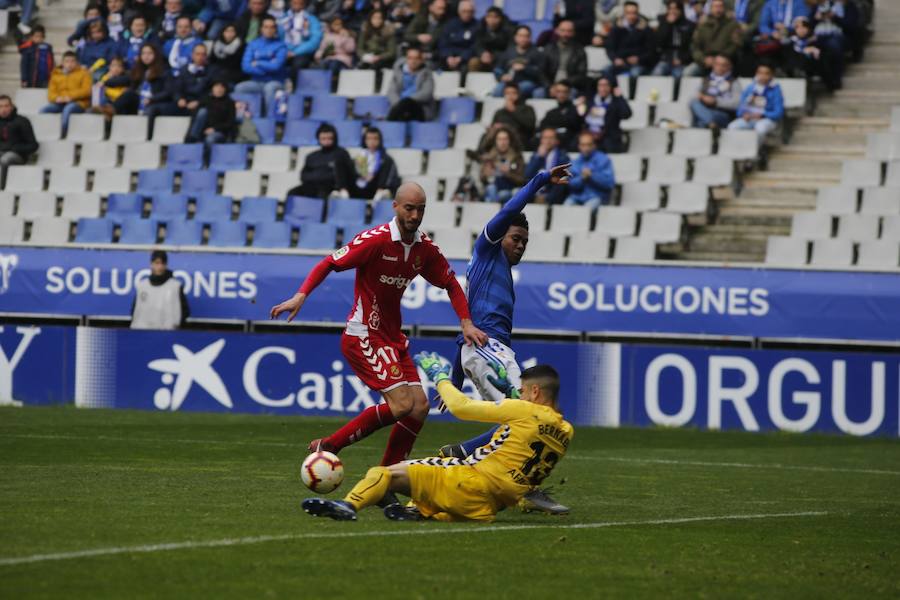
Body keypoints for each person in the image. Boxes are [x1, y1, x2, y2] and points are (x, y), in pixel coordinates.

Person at [270, 183, 488, 509]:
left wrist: (466, 322)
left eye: (420, 210)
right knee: (401, 405)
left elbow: (450, 284)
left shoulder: (424, 250)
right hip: (363, 334)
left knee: (419, 407)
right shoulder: (375, 241)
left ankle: (385, 479)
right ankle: (330, 445)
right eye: (409, 209)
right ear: (396, 207)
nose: (415, 216)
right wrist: (301, 295)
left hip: (392, 338)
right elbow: (330, 262)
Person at [302, 356, 573, 522]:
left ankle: (347, 505)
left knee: (382, 473)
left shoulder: (524, 410)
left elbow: (461, 407)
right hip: (488, 508)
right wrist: (513, 394)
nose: (521, 396)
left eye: (524, 391)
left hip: (468, 482)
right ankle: (417, 512)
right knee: (436, 484)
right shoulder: (565, 431)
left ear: (535, 391)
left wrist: (440, 377)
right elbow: (527, 430)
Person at [235, 16, 288, 118]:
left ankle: (269, 119)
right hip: (257, 82)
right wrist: (267, 68)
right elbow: (245, 66)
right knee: (240, 88)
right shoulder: (253, 44)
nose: (269, 30)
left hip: (276, 82)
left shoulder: (281, 46)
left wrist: (258, 63)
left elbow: (276, 66)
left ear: (275, 30)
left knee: (269, 88)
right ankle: (243, 119)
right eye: (266, 27)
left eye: (272, 27)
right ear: (261, 29)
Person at [291, 122, 355, 198]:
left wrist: (319, 176)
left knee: (323, 194)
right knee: (292, 193)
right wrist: (320, 176)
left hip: (331, 189)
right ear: (318, 139)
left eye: (329, 138)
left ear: (335, 138)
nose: (326, 141)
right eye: (323, 139)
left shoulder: (341, 154)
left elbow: (344, 175)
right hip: (312, 186)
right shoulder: (312, 156)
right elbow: (303, 176)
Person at [727, 62, 784, 146]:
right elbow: (740, 107)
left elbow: (778, 113)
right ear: (756, 73)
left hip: (767, 119)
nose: (763, 76)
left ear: (772, 75)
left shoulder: (776, 90)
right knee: (732, 126)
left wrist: (762, 114)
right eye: (760, 73)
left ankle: (755, 151)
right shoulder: (750, 88)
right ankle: (739, 149)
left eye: (766, 73)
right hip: (750, 118)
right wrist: (743, 114)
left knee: (760, 128)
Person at [131, 250, 190, 330]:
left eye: (162, 263)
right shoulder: (142, 286)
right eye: (157, 263)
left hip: (166, 334)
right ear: (151, 264)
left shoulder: (175, 286)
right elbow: (135, 311)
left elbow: (184, 312)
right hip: (143, 333)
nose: (160, 267)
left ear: (166, 265)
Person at [684, 0, 743, 76]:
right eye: (715, 6)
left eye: (720, 6)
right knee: (688, 72)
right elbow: (694, 46)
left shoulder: (732, 25)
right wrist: (703, 59)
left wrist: (721, 58)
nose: (718, 9)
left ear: (724, 8)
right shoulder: (703, 25)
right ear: (711, 8)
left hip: (725, 60)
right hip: (705, 60)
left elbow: (736, 44)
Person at [41, 51, 92, 136]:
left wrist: (70, 97)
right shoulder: (56, 74)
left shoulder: (84, 73)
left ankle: (62, 134)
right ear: (63, 63)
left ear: (77, 62)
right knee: (43, 111)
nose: (70, 64)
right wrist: (57, 98)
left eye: (72, 61)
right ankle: (44, 133)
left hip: (78, 103)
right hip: (60, 103)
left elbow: (87, 91)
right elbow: (51, 94)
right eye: (67, 61)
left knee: (68, 109)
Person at [577, 76, 631, 153]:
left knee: (610, 145)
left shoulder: (615, 102)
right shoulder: (590, 101)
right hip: (590, 135)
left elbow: (626, 114)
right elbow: (580, 118)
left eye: (606, 85)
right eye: (601, 85)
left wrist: (620, 97)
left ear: (611, 87)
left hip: (608, 137)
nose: (603, 88)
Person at [492, 25, 546, 99]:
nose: (523, 39)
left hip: (528, 82)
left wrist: (525, 68)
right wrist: (502, 76)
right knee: (498, 90)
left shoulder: (537, 53)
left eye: (526, 36)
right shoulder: (508, 52)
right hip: (509, 82)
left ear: (530, 38)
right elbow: (497, 68)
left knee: (518, 89)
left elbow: (540, 72)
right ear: (515, 37)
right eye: (520, 36)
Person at [690, 54, 742, 128]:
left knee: (700, 121)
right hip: (705, 109)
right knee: (694, 103)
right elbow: (693, 97)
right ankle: (710, 123)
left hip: (723, 114)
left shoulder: (734, 82)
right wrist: (702, 97)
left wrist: (716, 102)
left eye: (723, 65)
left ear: (729, 67)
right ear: (713, 65)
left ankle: (708, 122)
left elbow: (737, 104)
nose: (720, 67)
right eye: (717, 64)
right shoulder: (705, 80)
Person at [604, 1, 654, 80]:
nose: (631, 16)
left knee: (634, 74)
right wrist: (615, 59)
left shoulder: (646, 29)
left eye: (634, 13)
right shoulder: (616, 28)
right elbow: (610, 48)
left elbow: (650, 51)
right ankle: (615, 90)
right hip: (620, 62)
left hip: (639, 64)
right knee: (606, 70)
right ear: (624, 13)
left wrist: (639, 59)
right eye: (628, 13)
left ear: (638, 13)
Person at [565, 132, 615, 210]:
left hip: (597, 197)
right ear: (579, 146)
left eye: (589, 144)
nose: (586, 148)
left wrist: (592, 176)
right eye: (583, 145)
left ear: (594, 145)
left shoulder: (604, 160)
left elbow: (609, 184)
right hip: (577, 198)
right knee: (565, 208)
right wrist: (582, 178)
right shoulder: (575, 163)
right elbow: (571, 185)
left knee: (586, 211)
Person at [386, 46, 435, 122]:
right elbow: (391, 92)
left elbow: (426, 94)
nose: (413, 61)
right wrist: (401, 104)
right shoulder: (398, 73)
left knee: (406, 104)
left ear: (421, 60)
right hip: (399, 107)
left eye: (416, 58)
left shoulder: (427, 74)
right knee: (402, 112)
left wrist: (407, 101)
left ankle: (389, 124)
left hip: (419, 108)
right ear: (406, 59)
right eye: (410, 58)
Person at [352, 126, 401, 200]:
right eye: (368, 139)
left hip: (378, 190)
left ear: (380, 140)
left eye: (375, 138)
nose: (372, 142)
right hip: (360, 190)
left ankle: (381, 195)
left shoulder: (386, 159)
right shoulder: (359, 156)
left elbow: (392, 180)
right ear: (364, 140)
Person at [0, 95, 38, 188]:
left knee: (5, 159)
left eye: (6, 106)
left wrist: (15, 148)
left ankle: (1, 189)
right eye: (0, 106)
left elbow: (33, 145)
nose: (3, 109)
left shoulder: (22, 121)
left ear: (11, 107)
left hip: (18, 155)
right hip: (2, 151)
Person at [478, 127, 525, 203]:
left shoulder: (517, 157)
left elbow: (522, 180)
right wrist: (485, 175)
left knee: (505, 194)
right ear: (495, 141)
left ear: (510, 141)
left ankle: (493, 207)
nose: (502, 142)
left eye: (505, 139)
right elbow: (482, 180)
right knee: (491, 188)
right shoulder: (489, 157)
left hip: (510, 191)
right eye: (499, 139)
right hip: (493, 190)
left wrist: (507, 173)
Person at [525, 128, 570, 205]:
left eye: (551, 138)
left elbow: (563, 178)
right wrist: (538, 157)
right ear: (541, 140)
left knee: (561, 184)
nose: (548, 141)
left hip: (552, 193)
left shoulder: (563, 156)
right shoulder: (536, 155)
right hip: (535, 192)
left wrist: (547, 198)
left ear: (556, 141)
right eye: (545, 138)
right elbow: (527, 174)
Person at [543, 20, 588, 95]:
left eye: (569, 31)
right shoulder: (548, 49)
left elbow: (581, 74)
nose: (565, 34)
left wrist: (564, 84)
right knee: (538, 93)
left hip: (570, 85)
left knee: (574, 93)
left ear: (573, 33)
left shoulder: (580, 50)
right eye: (563, 30)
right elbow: (542, 71)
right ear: (557, 31)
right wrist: (549, 86)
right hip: (551, 85)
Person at [651, 1, 694, 77]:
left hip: (682, 60)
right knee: (657, 73)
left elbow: (691, 46)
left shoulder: (689, 25)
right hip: (666, 60)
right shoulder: (663, 24)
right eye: (670, 9)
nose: (673, 12)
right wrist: (668, 25)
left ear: (681, 10)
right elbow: (659, 43)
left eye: (675, 9)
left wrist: (682, 60)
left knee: (678, 75)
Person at [280, 0, 323, 74]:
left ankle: (294, 85)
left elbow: (314, 41)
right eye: (295, 2)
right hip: (284, 50)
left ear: (304, 4)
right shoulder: (283, 18)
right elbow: (278, 37)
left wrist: (295, 52)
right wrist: (284, 50)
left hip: (302, 52)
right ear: (290, 3)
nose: (297, 5)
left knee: (298, 64)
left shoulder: (311, 19)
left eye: (300, 3)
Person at [188, 79, 236, 145]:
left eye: (222, 87)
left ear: (225, 89)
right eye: (216, 86)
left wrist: (214, 129)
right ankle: (192, 139)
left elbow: (230, 122)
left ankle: (206, 155)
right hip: (203, 131)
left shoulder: (230, 103)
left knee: (210, 139)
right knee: (202, 111)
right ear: (212, 88)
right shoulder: (206, 99)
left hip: (220, 132)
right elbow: (195, 119)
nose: (219, 89)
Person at [539, 81, 583, 152]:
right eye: (559, 91)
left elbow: (574, 125)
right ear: (555, 93)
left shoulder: (575, 110)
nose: (561, 95)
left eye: (564, 92)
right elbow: (541, 127)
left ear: (569, 93)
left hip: (567, 143)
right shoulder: (551, 112)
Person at [467, 6, 513, 73]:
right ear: (486, 18)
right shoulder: (480, 28)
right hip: (483, 58)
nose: (492, 20)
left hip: (500, 59)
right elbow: (477, 44)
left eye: (496, 17)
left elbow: (510, 49)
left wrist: (493, 56)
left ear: (501, 19)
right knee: (473, 62)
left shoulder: (508, 31)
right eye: (490, 17)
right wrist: (482, 53)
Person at [489, 83, 535, 149]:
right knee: (486, 136)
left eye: (513, 93)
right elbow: (493, 126)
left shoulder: (527, 109)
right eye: (507, 93)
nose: (510, 96)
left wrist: (513, 111)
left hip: (518, 138)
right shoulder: (499, 112)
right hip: (500, 137)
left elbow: (530, 125)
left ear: (518, 94)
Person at [436, 0, 478, 72]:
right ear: (459, 12)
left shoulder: (478, 26)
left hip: (466, 59)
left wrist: (461, 58)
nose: (467, 14)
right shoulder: (450, 24)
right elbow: (443, 43)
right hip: (448, 58)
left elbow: (475, 46)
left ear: (474, 12)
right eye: (464, 11)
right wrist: (448, 56)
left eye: (470, 11)